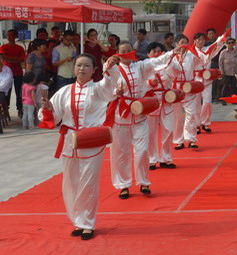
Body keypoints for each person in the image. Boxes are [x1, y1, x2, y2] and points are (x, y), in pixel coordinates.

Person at [40, 53, 123, 240]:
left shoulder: (98, 89)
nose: (82, 69)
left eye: (86, 66)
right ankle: (77, 220)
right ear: (74, 68)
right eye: (79, 65)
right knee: (70, 183)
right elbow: (53, 117)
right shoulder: (64, 91)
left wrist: (110, 67)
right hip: (70, 141)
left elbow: (112, 83)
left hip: (92, 140)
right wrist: (47, 108)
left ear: (94, 70)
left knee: (89, 182)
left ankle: (87, 223)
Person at [108, 41, 174, 199]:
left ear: (133, 51)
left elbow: (156, 61)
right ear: (118, 54)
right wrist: (116, 92)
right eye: (123, 51)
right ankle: (123, 185)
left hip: (140, 112)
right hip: (121, 114)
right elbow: (105, 89)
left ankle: (143, 181)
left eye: (129, 50)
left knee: (142, 149)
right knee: (121, 151)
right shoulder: (113, 70)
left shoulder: (140, 67)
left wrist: (172, 53)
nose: (126, 53)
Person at [168, 32, 226, 149]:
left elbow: (206, 57)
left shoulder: (192, 55)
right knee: (177, 117)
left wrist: (219, 43)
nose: (184, 45)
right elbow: (166, 71)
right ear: (176, 44)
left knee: (191, 113)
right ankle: (179, 140)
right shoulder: (170, 57)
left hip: (189, 88)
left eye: (186, 43)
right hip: (176, 89)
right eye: (182, 43)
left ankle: (191, 139)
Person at [144, 43, 177, 170]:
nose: (157, 54)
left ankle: (166, 158)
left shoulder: (167, 64)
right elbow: (139, 83)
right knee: (151, 132)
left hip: (166, 99)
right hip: (151, 101)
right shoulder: (144, 66)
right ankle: (152, 160)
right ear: (148, 54)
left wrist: (170, 60)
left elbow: (177, 72)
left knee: (168, 129)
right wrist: (150, 83)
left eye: (159, 51)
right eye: (154, 51)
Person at [1, 29, 27, 118]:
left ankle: (20, 109)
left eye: (11, 35)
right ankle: (5, 109)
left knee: (19, 92)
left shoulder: (20, 48)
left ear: (15, 36)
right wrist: (16, 59)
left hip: (17, 72)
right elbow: (3, 57)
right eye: (7, 35)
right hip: (6, 73)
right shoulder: (3, 47)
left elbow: (22, 59)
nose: (8, 37)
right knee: (6, 92)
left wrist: (9, 59)